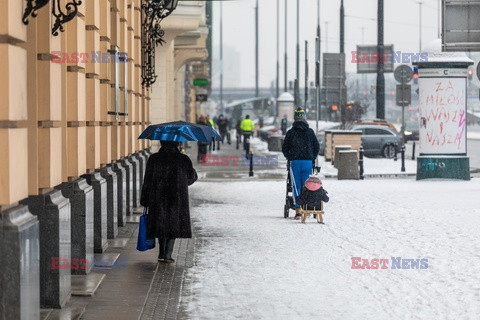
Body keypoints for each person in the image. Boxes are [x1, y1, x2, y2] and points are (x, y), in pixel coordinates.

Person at [140, 140, 198, 263]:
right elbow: (191, 178)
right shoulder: (183, 159)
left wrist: (144, 199)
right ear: (177, 144)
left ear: (161, 143)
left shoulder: (154, 158)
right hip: (176, 197)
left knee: (161, 223)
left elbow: (147, 180)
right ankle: (168, 254)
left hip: (158, 197)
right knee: (173, 223)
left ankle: (161, 252)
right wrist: (184, 180)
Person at [282, 107, 319, 212]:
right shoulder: (310, 132)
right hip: (307, 162)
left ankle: (298, 208)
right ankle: (306, 205)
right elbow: (316, 147)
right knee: (306, 185)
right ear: (305, 118)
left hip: (295, 162)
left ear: (295, 118)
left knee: (295, 185)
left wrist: (289, 156)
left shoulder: (291, 133)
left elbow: (285, 148)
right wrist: (312, 157)